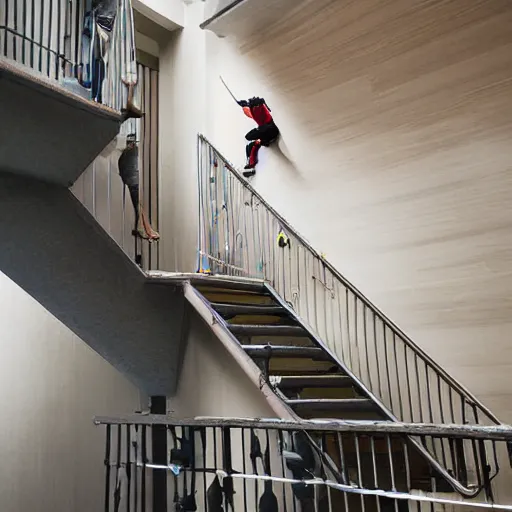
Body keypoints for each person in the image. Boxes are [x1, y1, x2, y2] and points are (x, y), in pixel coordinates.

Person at [118, 133, 160, 241]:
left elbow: (122, 168)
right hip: (135, 183)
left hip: (131, 182)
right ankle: (143, 229)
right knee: (138, 206)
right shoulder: (133, 152)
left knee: (139, 206)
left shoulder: (125, 153)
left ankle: (146, 229)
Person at [237, 96, 280, 178]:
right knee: (251, 143)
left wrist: (246, 105)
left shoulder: (260, 110)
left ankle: (251, 164)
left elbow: (255, 113)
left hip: (268, 130)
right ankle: (251, 165)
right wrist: (244, 106)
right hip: (267, 132)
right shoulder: (257, 110)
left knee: (249, 139)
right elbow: (249, 113)